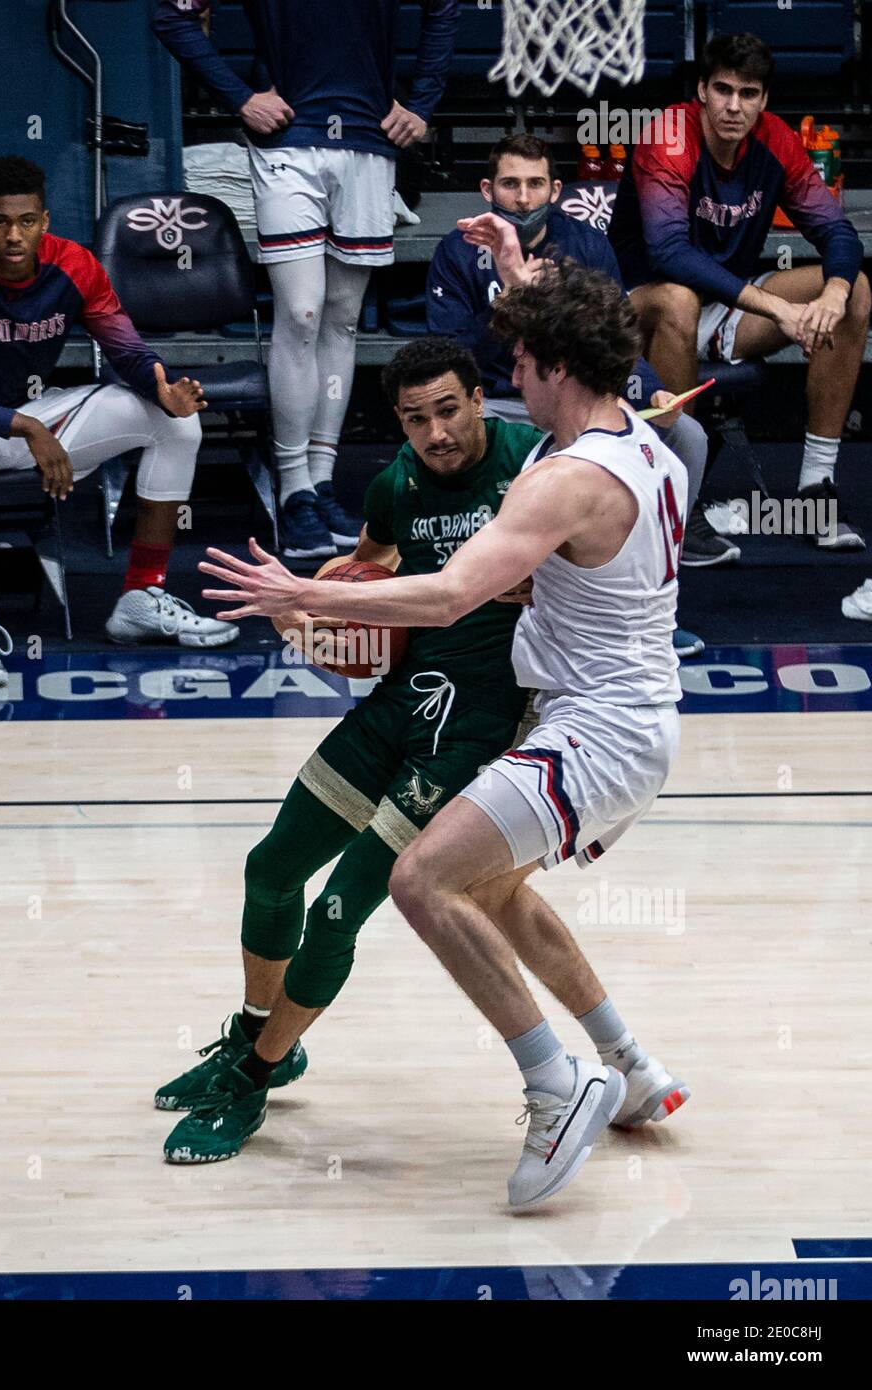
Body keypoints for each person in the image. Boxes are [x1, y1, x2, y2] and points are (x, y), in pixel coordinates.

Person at [200, 262, 690, 1210]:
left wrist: (300, 592)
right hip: (623, 718)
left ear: (554, 365)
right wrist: (515, 264)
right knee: (494, 891)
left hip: (594, 730)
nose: (512, 373)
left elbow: (448, 593)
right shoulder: (647, 443)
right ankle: (626, 1065)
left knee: (417, 879)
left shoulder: (561, 478)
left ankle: (554, 1084)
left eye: (519, 358)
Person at [0, 156, 236, 687]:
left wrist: (160, 386)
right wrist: (26, 428)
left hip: (38, 414)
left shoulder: (73, 263)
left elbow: (126, 350)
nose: (13, 235)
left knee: (178, 425)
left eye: (26, 221)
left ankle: (140, 599)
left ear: (44, 221)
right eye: (0, 222)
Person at [152, 0, 459, 560]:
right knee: (301, 313)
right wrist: (239, 97)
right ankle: (292, 487)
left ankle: (321, 482)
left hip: (369, 139)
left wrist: (421, 104)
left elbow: (445, 10)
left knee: (341, 319)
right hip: (288, 141)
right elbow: (170, 15)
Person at [427, 132, 725, 652]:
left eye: (535, 184)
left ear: (556, 189)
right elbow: (453, 356)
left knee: (689, 439)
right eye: (510, 184)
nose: (523, 198)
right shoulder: (457, 250)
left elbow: (616, 338)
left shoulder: (585, 245)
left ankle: (648, 601)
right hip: (496, 397)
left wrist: (650, 390)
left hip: (579, 396)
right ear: (486, 189)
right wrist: (517, 291)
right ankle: (508, 604)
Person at [609, 31, 870, 551]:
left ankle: (815, 489)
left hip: (723, 303)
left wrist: (834, 292)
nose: (733, 106)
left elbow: (837, 232)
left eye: (748, 94)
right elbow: (668, 253)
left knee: (858, 290)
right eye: (723, 90)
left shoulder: (776, 141)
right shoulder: (668, 136)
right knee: (680, 297)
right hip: (637, 310)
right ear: (702, 90)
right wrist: (776, 306)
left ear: (764, 100)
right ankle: (676, 504)